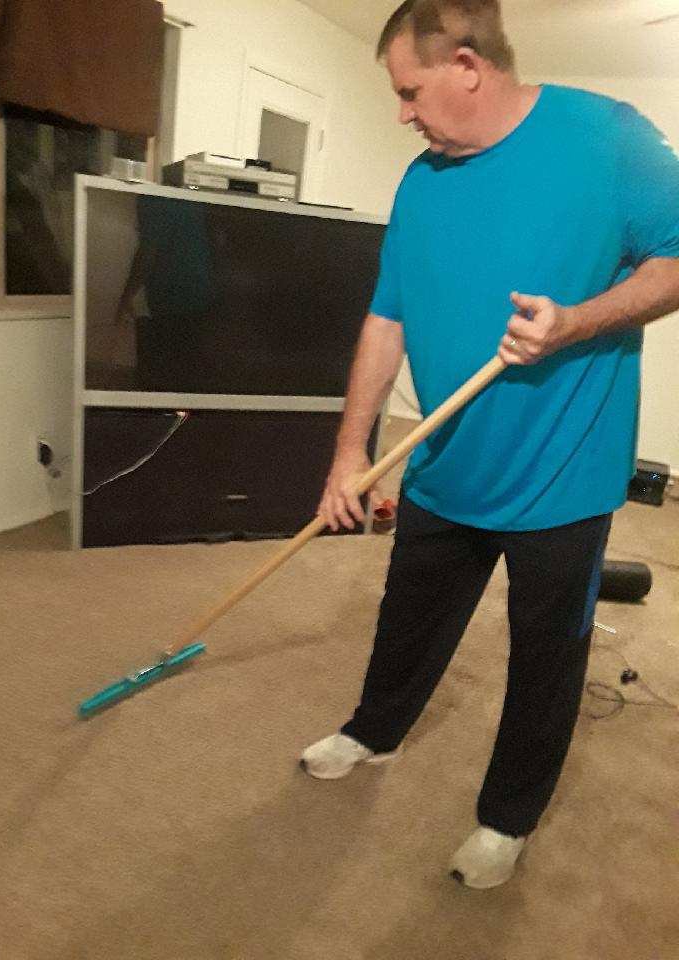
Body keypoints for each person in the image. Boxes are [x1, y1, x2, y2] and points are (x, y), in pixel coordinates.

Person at [300, 0, 679, 890]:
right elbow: (386, 317)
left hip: (565, 476)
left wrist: (578, 322)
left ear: (467, 65)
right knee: (409, 618)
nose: (402, 113)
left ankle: (507, 818)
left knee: (547, 656)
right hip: (443, 467)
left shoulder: (609, 138)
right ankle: (374, 730)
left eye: (409, 91)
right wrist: (349, 455)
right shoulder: (422, 180)